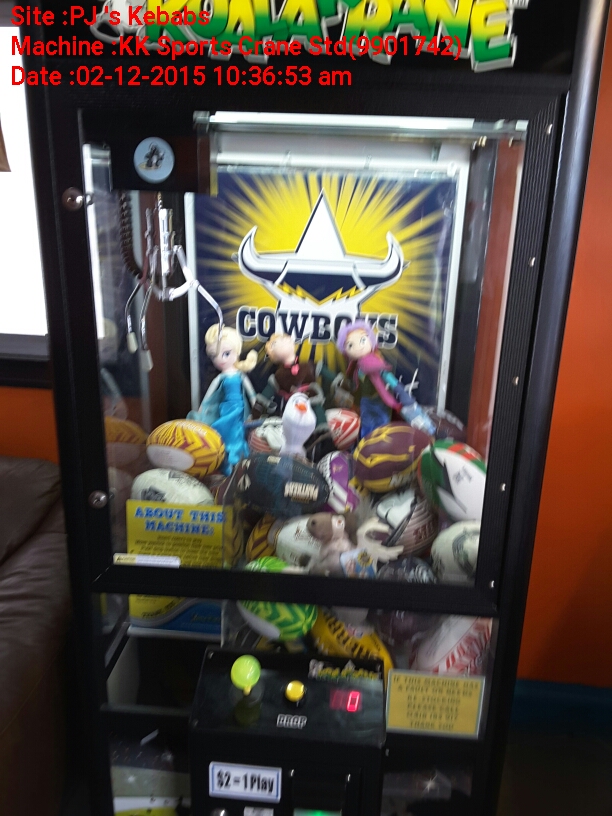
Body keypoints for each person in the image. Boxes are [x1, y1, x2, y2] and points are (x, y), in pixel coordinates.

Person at [188, 325, 257, 474]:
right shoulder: (221, 377)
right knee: (222, 429)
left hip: (238, 407)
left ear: (236, 351)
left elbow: (250, 392)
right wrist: (203, 405)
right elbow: (210, 392)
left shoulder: (240, 375)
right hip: (225, 407)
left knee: (237, 430)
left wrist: (255, 405)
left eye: (226, 353)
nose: (219, 359)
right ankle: (223, 453)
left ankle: (236, 455)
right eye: (214, 356)